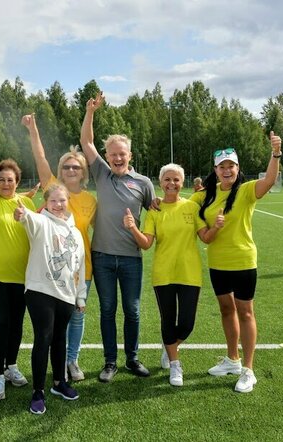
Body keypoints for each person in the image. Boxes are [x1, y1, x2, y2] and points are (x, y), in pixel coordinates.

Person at [192, 134, 282, 393]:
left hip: (243, 261)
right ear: (215, 170)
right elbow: (180, 207)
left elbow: (269, 180)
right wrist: (155, 202)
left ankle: (248, 369)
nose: (227, 170)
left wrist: (275, 154)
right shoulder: (204, 196)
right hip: (218, 263)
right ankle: (233, 359)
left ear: (237, 168)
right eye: (222, 166)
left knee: (245, 312)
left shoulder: (246, 190)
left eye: (231, 165)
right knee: (226, 310)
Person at [80, 91, 155, 382]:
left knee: (133, 311)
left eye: (122, 154)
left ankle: (132, 359)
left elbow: (157, 210)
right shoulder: (101, 173)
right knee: (108, 310)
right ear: (107, 157)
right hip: (102, 257)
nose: (117, 158)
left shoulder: (143, 183)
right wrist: (90, 113)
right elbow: (86, 142)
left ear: (130, 156)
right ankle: (110, 362)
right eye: (112, 154)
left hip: (131, 259)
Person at [124, 163, 221, 387]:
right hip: (164, 273)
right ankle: (175, 364)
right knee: (168, 320)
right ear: (161, 183)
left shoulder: (191, 207)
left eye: (176, 179)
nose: (172, 183)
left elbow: (205, 237)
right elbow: (146, 243)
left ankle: (169, 345)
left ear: (182, 182)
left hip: (190, 272)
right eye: (167, 179)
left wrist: (215, 226)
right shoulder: (155, 210)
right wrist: (132, 228)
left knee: (186, 324)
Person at [22, 113, 96, 382]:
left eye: (76, 167)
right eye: (67, 167)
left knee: (76, 318)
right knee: (54, 322)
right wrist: (33, 130)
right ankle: (56, 367)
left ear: (83, 172)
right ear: (61, 171)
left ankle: (72, 361)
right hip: (52, 268)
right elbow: (40, 157)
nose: (71, 171)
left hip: (79, 266)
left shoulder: (90, 200)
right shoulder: (54, 188)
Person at [0, 114, 37, 400]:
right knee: (0, 323)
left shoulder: (26, 203)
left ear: (17, 182)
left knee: (16, 324)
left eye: (10, 180)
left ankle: (12, 366)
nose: (5, 183)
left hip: (21, 277)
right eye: (1, 179)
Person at [14, 183, 86, 414]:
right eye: (53, 201)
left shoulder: (75, 232)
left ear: (68, 202)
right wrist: (23, 214)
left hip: (66, 294)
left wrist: (80, 296)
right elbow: (27, 220)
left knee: (59, 339)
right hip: (40, 291)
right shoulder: (41, 221)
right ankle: (38, 391)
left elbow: (80, 266)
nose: (58, 205)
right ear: (46, 203)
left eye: (62, 200)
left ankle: (58, 383)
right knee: (43, 337)